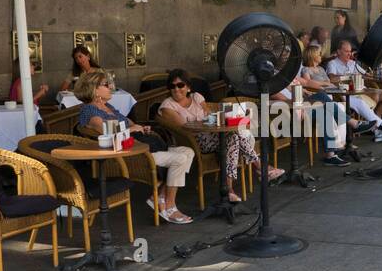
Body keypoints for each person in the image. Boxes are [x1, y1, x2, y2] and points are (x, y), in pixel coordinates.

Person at [73, 70, 194, 223]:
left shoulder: (107, 106)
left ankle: (160, 197)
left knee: (188, 152)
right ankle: (170, 207)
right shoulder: (89, 110)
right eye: (106, 84)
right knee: (180, 158)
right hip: (129, 154)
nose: (111, 87)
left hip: (141, 146)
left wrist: (141, 128)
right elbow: (107, 131)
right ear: (94, 89)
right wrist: (132, 130)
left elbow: (129, 123)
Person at [157, 68, 281, 201]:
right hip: (194, 141)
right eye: (172, 86)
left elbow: (209, 114)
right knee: (233, 136)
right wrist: (207, 121)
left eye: (180, 85)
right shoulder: (168, 106)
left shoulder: (196, 97)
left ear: (188, 87)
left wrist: (211, 119)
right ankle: (261, 168)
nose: (176, 89)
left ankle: (229, 189)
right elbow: (186, 127)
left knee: (233, 138)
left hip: (212, 135)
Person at [324, 40, 382, 142]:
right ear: (338, 52)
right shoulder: (332, 63)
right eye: (346, 51)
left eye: (350, 51)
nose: (349, 54)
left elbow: (366, 74)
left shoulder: (352, 63)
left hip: (361, 90)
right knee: (361, 102)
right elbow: (332, 79)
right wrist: (350, 76)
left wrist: (377, 74)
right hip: (344, 94)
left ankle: (376, 126)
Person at [296, 46, 360, 165]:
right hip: (293, 110)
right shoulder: (280, 79)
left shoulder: (291, 77)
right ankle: (351, 123)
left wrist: (304, 91)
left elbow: (305, 84)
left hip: (306, 104)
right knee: (322, 97)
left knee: (327, 111)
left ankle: (332, 153)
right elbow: (306, 84)